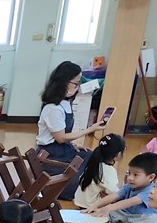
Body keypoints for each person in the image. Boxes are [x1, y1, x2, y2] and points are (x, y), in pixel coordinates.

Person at [37, 62, 108, 198]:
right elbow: (60, 138)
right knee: (86, 161)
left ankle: (94, 189)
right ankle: (73, 191)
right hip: (51, 153)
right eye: (75, 83)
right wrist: (90, 129)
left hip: (61, 148)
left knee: (91, 155)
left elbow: (62, 137)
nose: (77, 87)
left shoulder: (65, 104)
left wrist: (73, 145)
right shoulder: (53, 108)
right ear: (63, 82)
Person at [82, 152, 157, 223]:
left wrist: (109, 207)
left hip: (139, 220)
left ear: (150, 177)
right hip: (123, 216)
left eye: (135, 175)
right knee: (105, 211)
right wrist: (95, 206)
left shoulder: (151, 190)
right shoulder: (129, 186)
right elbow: (114, 196)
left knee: (153, 221)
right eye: (129, 173)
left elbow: (130, 202)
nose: (130, 178)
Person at [74, 133, 124, 208]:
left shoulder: (95, 163)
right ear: (118, 154)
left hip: (80, 202)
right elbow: (115, 192)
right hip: (91, 206)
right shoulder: (109, 171)